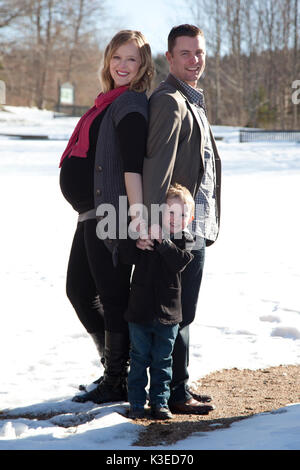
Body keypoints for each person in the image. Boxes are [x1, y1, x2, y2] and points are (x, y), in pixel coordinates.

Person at [59, 30, 154, 404]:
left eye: (131, 59)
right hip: (92, 212)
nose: (123, 65)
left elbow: (133, 166)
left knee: (111, 298)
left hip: (111, 214)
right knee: (80, 291)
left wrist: (134, 216)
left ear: (143, 64)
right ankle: (116, 368)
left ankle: (118, 379)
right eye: (117, 57)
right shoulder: (106, 103)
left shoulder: (130, 105)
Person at [140, 24, 222, 415]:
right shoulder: (170, 101)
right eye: (185, 53)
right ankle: (172, 393)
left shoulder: (193, 101)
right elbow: (157, 166)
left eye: (199, 53)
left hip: (196, 223)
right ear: (169, 57)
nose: (195, 60)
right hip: (176, 228)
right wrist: (154, 226)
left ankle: (180, 385)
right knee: (177, 313)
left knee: (184, 312)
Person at [120, 184, 196, 420]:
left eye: (183, 214)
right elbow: (126, 256)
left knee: (163, 361)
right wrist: (137, 243)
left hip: (168, 314)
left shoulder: (184, 239)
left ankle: (160, 402)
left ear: (190, 218)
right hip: (140, 311)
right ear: (160, 212)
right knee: (140, 358)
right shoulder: (146, 234)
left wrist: (163, 242)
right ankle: (135, 402)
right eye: (171, 212)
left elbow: (179, 261)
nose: (176, 219)